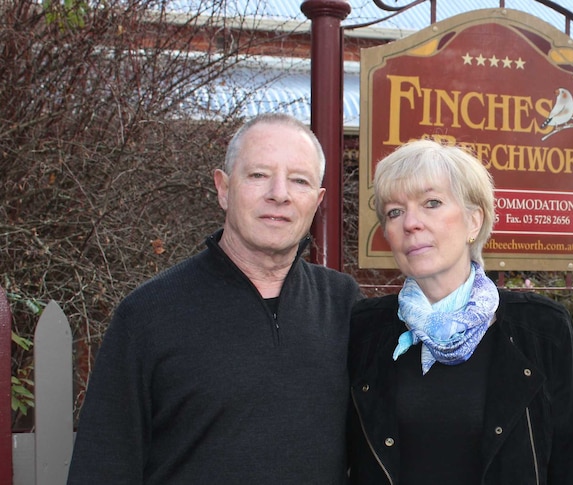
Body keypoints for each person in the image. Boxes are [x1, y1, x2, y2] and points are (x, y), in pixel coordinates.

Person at [67, 113, 360, 484]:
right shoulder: (150, 314)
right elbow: (103, 465)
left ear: (316, 201)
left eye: (299, 180)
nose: (279, 193)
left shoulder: (343, 305)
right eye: (258, 175)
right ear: (223, 188)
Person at [346, 139, 573, 484]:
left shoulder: (541, 328)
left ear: (473, 221)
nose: (411, 223)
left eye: (431, 203)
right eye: (395, 211)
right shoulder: (364, 329)